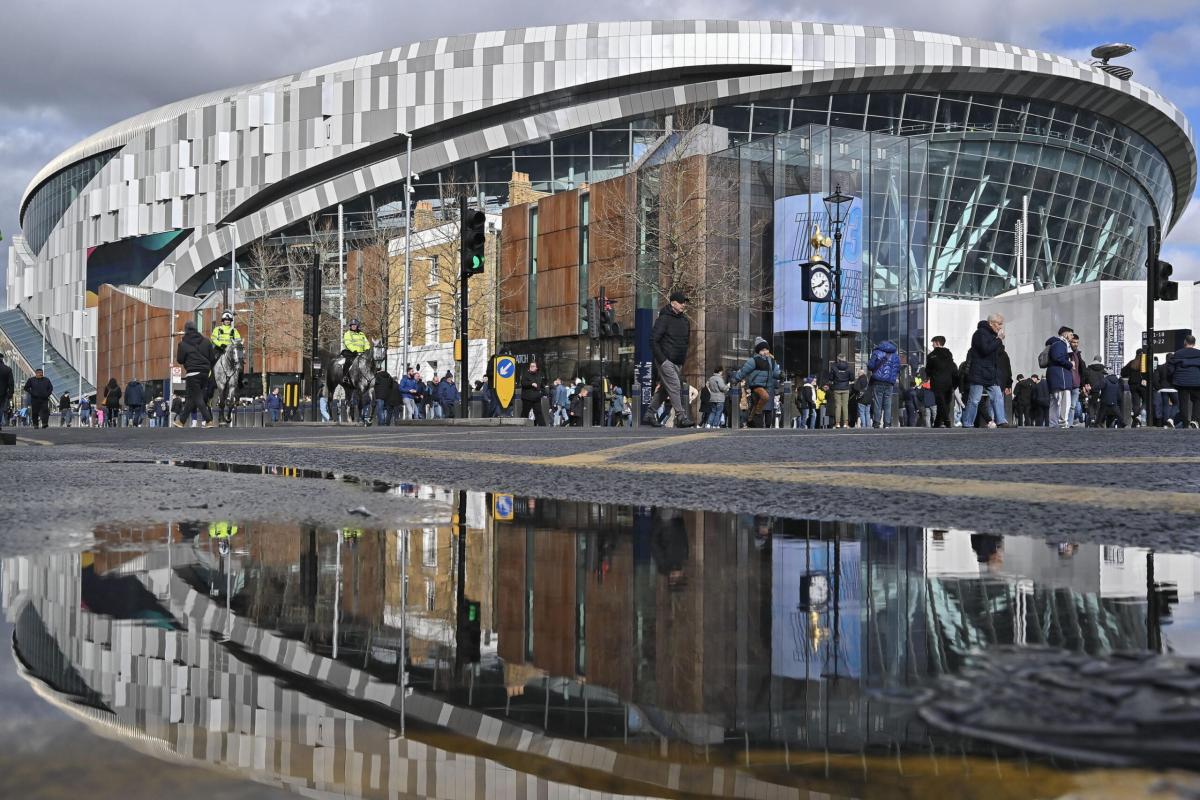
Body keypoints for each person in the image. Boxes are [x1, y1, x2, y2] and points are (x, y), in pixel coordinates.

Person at [645, 291, 694, 428]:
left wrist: (682, 359)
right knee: (675, 386)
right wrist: (663, 360)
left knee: (665, 390)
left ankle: (649, 414)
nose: (684, 304)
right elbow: (653, 340)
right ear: (673, 303)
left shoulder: (685, 320)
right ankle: (681, 416)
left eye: (685, 302)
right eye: (681, 302)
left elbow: (685, 341)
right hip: (666, 360)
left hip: (678, 361)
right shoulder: (664, 319)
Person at [961, 314, 1010, 428]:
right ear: (991, 323)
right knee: (974, 399)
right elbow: (985, 350)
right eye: (999, 323)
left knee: (997, 396)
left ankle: (1001, 420)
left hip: (989, 372)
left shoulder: (991, 335)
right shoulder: (980, 334)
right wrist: (999, 340)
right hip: (979, 372)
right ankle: (967, 423)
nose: (1000, 326)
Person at [174, 320, 215, 429]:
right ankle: (181, 421)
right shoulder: (206, 341)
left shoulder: (182, 344)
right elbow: (212, 358)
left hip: (193, 374)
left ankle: (209, 420)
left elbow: (180, 360)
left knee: (198, 398)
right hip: (205, 373)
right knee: (193, 398)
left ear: (186, 330)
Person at [731, 338, 781, 428]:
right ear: (758, 351)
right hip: (756, 385)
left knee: (756, 404)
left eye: (766, 349)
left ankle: (751, 420)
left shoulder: (771, 361)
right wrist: (736, 379)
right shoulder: (754, 360)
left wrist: (780, 375)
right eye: (762, 350)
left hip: (767, 386)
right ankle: (757, 412)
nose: (765, 352)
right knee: (764, 397)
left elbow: (775, 373)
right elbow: (744, 371)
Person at [1044, 325, 1074, 429]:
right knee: (1064, 401)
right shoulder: (1060, 344)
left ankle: (1053, 423)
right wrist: (1070, 364)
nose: (1072, 337)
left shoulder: (1054, 343)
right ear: (1065, 334)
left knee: (1055, 402)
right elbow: (1058, 357)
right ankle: (1062, 422)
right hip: (1061, 376)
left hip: (1055, 375)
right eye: (1071, 334)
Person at [1168, 334, 1200, 428]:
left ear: (1185, 342)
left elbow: (1170, 369)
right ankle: (1195, 420)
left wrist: (1172, 379)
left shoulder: (1177, 353)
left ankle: (1185, 422)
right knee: (1198, 400)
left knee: (1183, 402)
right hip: (1196, 381)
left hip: (1181, 382)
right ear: (1194, 343)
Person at [866, 339, 900, 428]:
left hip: (878, 381)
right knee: (888, 403)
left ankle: (876, 422)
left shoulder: (877, 352)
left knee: (878, 402)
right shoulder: (895, 356)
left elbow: (870, 366)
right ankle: (887, 423)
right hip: (890, 382)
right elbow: (898, 369)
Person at [925, 336, 957, 428]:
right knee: (945, 402)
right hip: (948, 381)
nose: (932, 344)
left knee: (940, 402)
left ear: (938, 343)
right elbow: (952, 367)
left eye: (933, 342)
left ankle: (946, 420)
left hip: (937, 382)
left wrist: (928, 377)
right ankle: (937, 422)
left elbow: (928, 369)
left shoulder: (931, 355)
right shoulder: (948, 353)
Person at [1121, 349, 1149, 427]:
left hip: (1132, 385)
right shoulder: (1145, 363)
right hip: (1142, 386)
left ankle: (1137, 419)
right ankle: (1140, 415)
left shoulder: (1132, 363)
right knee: (1147, 401)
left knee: (1136, 403)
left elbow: (1123, 372)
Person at [826, 356, 853, 428]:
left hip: (837, 388)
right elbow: (852, 378)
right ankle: (845, 423)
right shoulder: (849, 367)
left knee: (837, 406)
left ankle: (837, 423)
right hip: (846, 388)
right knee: (845, 406)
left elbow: (831, 378)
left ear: (838, 359)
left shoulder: (834, 367)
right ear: (845, 359)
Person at [520, 361, 546, 425]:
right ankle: (521, 425)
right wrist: (531, 384)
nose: (531, 367)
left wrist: (542, 393)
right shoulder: (526, 374)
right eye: (531, 366)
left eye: (533, 366)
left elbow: (542, 387)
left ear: (536, 368)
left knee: (538, 413)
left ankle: (543, 427)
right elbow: (523, 383)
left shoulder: (539, 375)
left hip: (536, 398)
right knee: (525, 413)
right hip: (527, 398)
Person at [0, 353, 13, 428]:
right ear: (2, 359)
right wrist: (10, 393)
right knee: (1, 408)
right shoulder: (7, 369)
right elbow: (11, 383)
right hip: (2, 393)